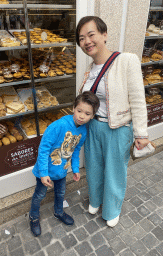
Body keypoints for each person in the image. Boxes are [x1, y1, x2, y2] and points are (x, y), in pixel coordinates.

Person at [76, 16, 150, 227]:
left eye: (91, 35)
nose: (87, 41)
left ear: (104, 34)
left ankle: (112, 208)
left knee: (115, 172)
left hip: (117, 129)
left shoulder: (126, 60)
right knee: (94, 168)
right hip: (93, 127)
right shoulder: (90, 69)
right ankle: (96, 200)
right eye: (82, 38)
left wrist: (141, 133)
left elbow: (138, 99)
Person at [29, 91, 100, 236]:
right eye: (79, 111)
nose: (82, 116)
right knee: (39, 195)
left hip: (62, 171)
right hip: (46, 171)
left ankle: (58, 212)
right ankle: (33, 217)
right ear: (73, 108)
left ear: (92, 116)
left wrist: (75, 169)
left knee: (60, 193)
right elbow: (43, 149)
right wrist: (43, 174)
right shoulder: (59, 125)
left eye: (87, 114)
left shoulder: (83, 131)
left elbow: (76, 150)